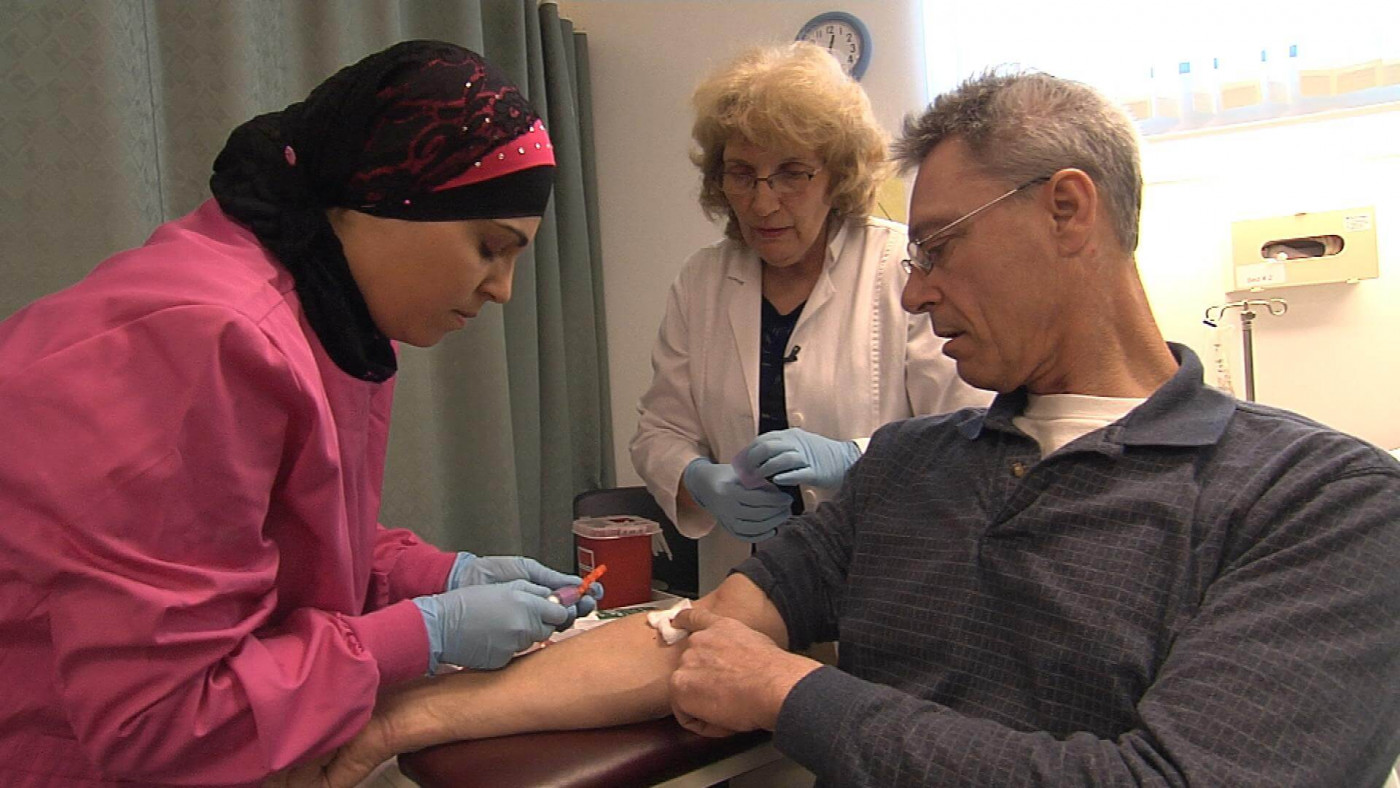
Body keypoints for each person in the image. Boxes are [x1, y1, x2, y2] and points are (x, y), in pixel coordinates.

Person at [297, 69, 1400, 788]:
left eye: (936, 249)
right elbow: (688, 636)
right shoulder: (914, 467)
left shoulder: (1321, 500)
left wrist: (794, 692)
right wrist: (404, 717)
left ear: (1068, 210)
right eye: (907, 258)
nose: (911, 295)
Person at [0, 41, 602, 786]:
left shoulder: (327, 316)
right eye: (489, 247)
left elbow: (259, 543)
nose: (502, 290)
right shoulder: (209, 338)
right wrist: (424, 635)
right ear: (386, 198)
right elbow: (162, 722)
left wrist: (437, 576)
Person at [630, 42, 988, 590]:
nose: (763, 202)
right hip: (747, 585)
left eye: (792, 173)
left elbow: (972, 433)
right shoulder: (701, 282)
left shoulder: (904, 267)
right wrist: (699, 480)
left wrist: (858, 459)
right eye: (742, 174)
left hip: (888, 583)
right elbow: (660, 431)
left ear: (837, 176)